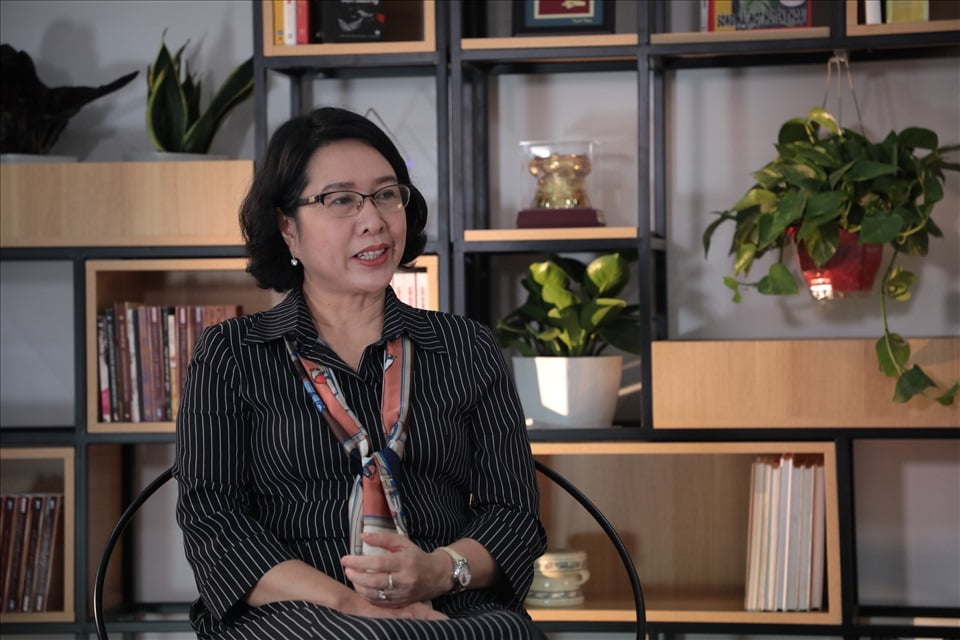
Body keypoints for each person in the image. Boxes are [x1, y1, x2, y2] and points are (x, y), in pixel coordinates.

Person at [174, 106, 547, 639]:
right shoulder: (232, 353)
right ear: (287, 227)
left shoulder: (465, 347)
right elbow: (216, 526)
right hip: (295, 612)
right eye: (340, 200)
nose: (373, 219)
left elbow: (513, 516)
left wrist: (435, 571)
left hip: (445, 607)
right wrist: (353, 606)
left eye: (386, 194)